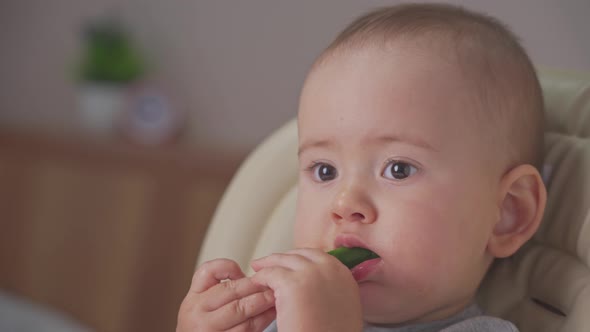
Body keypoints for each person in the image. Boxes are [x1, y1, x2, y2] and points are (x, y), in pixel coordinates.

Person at [177, 3, 547, 331]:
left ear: (507, 214)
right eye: (324, 170)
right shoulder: (275, 318)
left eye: (398, 169)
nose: (343, 203)